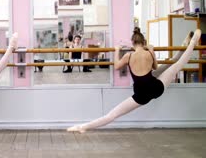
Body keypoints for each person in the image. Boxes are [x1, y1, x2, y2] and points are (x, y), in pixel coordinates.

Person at [67, 27, 201, 133]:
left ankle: (83, 127)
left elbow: (117, 66)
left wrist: (117, 50)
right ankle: (193, 41)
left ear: (132, 43)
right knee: (176, 65)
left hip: (141, 95)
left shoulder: (129, 56)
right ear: (144, 42)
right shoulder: (149, 52)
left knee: (111, 115)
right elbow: (155, 67)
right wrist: (152, 50)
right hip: (156, 87)